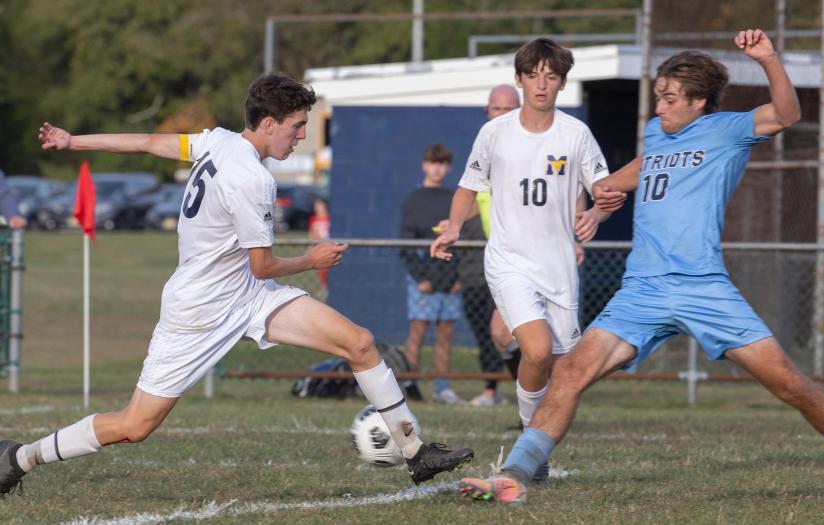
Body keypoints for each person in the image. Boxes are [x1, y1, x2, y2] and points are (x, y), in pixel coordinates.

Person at [457, 30, 824, 512]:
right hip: (642, 290)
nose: (659, 107)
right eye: (659, 96)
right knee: (570, 372)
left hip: (703, 289)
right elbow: (644, 168)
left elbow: (787, 114)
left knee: (790, 384)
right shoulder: (655, 133)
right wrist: (602, 203)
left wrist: (768, 59)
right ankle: (514, 476)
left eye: (669, 99)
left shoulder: (728, 130)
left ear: (698, 102)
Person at [0, 73, 474, 497]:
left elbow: (146, 141)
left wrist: (72, 141)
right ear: (269, 124)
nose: (302, 136)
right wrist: (312, 258)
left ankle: (416, 455)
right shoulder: (251, 178)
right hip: (200, 309)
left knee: (360, 343)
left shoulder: (218, 141)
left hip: (245, 296)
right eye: (297, 126)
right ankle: (18, 459)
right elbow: (264, 265)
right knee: (134, 425)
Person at [432, 38, 613, 480]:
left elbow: (606, 190)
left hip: (559, 268)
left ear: (562, 84)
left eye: (551, 77)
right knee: (536, 349)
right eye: (533, 75)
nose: (541, 84)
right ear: (520, 79)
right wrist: (455, 226)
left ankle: (535, 448)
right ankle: (531, 446)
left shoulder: (575, 135)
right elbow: (468, 188)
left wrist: (595, 213)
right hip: (509, 260)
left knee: (567, 367)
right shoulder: (494, 133)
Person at [458, 84, 521, 408]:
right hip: (500, 259)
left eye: (510, 109)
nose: (502, 116)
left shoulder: (535, 146)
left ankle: (544, 405)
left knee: (539, 343)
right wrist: (451, 226)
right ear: (487, 113)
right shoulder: (484, 151)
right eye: (497, 109)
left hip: (535, 257)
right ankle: (534, 407)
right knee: (499, 333)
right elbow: (474, 195)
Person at [399, 144, 465, 405]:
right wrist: (420, 278)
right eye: (433, 163)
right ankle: (409, 384)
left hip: (450, 275)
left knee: (446, 332)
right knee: (418, 330)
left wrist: (458, 277)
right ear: (424, 165)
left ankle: (442, 387)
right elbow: (405, 246)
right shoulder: (412, 200)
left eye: (443, 164)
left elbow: (462, 239)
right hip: (423, 277)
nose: (438, 168)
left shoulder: (455, 199)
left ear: (448, 168)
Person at [307, 198, 331, 292]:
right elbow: (311, 233)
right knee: (322, 269)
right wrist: (310, 246)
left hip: (328, 245)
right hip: (319, 246)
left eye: (319, 205)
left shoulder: (329, 217)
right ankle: (324, 287)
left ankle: (328, 287)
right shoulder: (313, 218)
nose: (317, 208)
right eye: (316, 206)